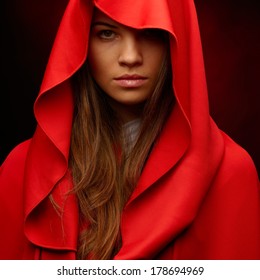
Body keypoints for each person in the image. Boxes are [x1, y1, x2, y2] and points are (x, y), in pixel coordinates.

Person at [0, 0, 259, 260]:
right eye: (107, 33)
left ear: (178, 39)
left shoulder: (231, 173)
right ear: (80, 41)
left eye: (150, 33)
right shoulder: (20, 172)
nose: (130, 57)